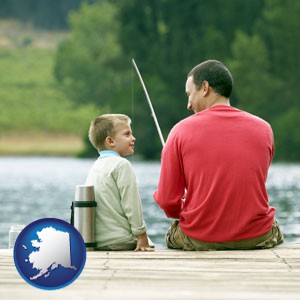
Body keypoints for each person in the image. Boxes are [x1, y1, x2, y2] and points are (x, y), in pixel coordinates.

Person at [153, 60, 284, 250]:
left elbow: (167, 202)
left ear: (205, 87)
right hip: (257, 237)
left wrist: (187, 207)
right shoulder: (264, 129)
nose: (188, 104)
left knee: (172, 233)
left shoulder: (180, 131)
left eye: (190, 94)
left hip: (200, 237)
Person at [85, 113, 154, 251]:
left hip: (99, 242)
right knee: (150, 243)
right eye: (127, 134)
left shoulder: (96, 166)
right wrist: (141, 235)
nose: (133, 138)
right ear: (110, 141)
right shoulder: (122, 165)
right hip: (120, 240)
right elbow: (131, 204)